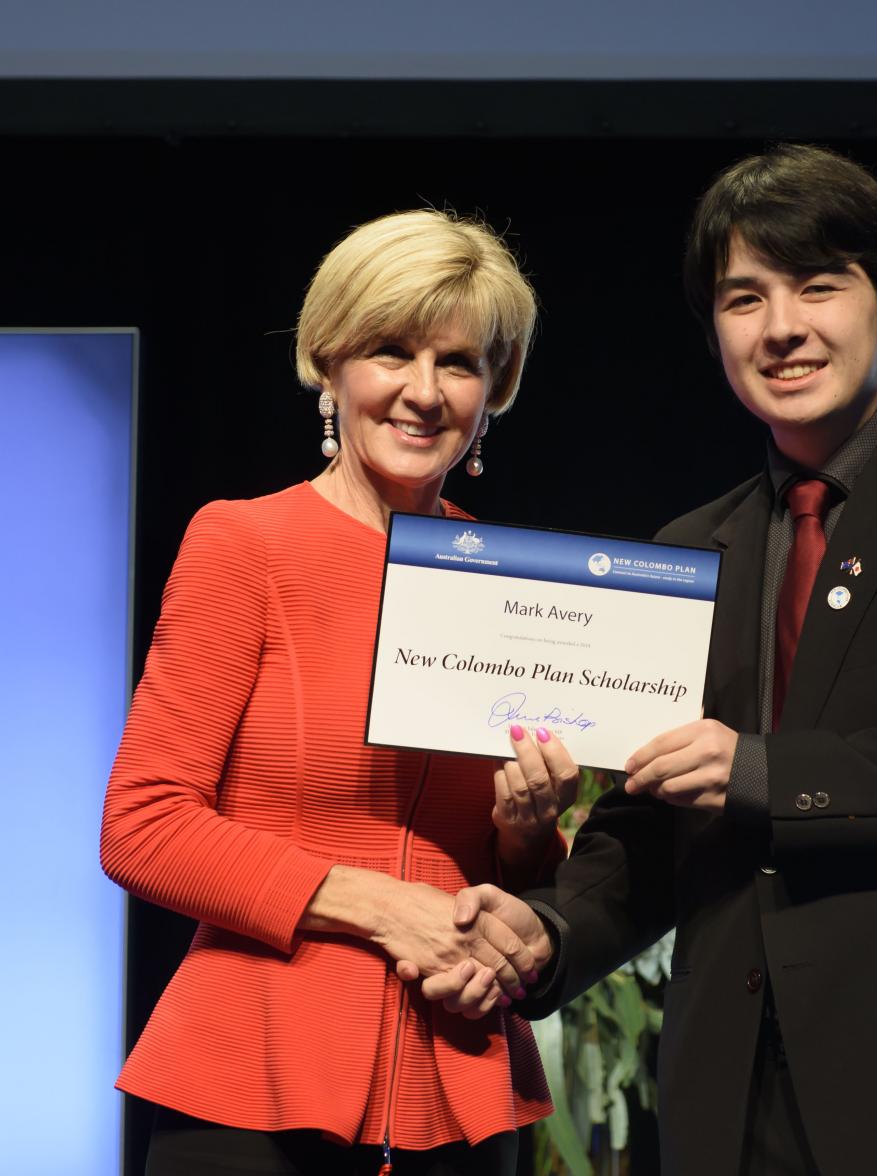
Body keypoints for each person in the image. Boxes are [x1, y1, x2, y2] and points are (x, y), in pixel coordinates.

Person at [434, 146, 877, 1176]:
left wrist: (763, 774)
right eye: (744, 297)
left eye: (819, 286)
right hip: (736, 1094)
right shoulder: (687, 551)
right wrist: (548, 935)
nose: (782, 326)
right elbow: (645, 826)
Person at [100, 209, 581, 1176]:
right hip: (253, 1081)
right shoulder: (244, 544)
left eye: (457, 361)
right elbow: (142, 826)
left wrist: (529, 834)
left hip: (461, 1083)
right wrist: (375, 905)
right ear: (330, 366)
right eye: (390, 351)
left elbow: (510, 883)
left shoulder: (513, 588)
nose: (421, 391)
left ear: (497, 389)